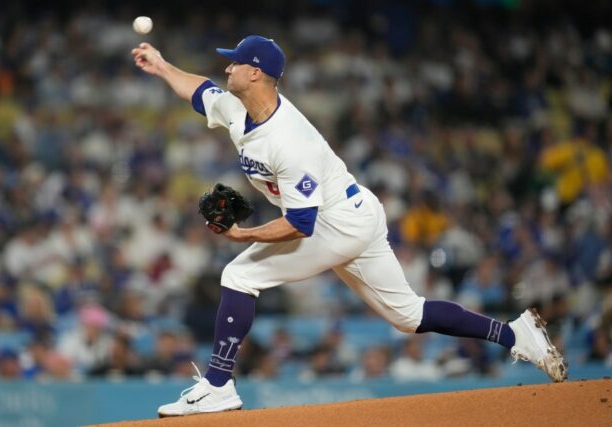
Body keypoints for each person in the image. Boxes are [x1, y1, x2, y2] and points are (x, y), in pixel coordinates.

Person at [131, 35, 567, 417]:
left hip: (336, 221)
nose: (227, 66)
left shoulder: (289, 139)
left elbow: (302, 224)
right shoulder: (236, 105)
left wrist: (242, 236)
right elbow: (201, 92)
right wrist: (163, 66)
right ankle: (517, 335)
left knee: (239, 274)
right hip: (356, 212)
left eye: (235, 61)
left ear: (257, 73)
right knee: (408, 316)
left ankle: (219, 386)